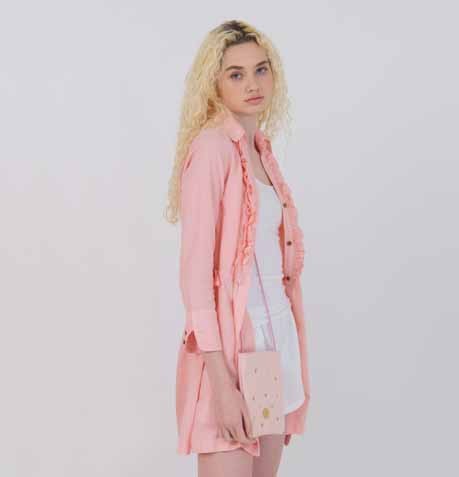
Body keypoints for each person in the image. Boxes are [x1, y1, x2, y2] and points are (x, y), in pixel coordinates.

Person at [165, 19, 311, 477]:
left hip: (274, 346)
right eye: (236, 74)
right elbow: (195, 279)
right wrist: (221, 384)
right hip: (228, 354)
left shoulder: (262, 151)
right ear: (214, 82)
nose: (253, 84)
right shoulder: (211, 149)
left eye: (261, 70)